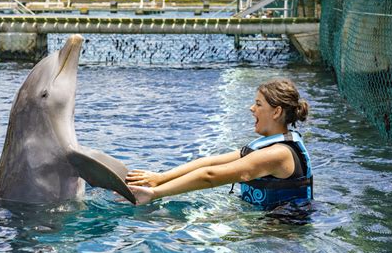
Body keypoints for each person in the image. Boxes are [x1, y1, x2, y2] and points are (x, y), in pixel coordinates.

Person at [127, 78, 313, 209]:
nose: (251, 108)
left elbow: (210, 176)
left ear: (276, 112)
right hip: (265, 222)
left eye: (258, 104)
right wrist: (160, 178)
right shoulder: (267, 145)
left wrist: (155, 194)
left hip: (283, 237)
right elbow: (209, 163)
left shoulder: (277, 154)